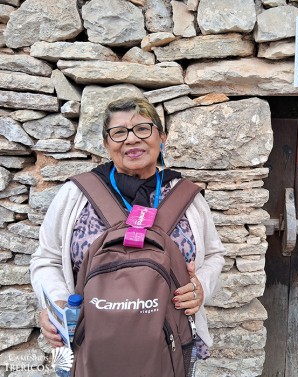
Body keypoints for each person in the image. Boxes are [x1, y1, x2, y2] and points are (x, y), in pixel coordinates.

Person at [30, 97, 225, 375]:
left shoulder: (187, 197)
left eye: (143, 129)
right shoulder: (76, 195)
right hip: (89, 345)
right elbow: (46, 259)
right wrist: (58, 307)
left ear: (162, 137)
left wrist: (201, 287)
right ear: (107, 144)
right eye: (119, 133)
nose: (131, 140)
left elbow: (215, 255)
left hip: (169, 349)